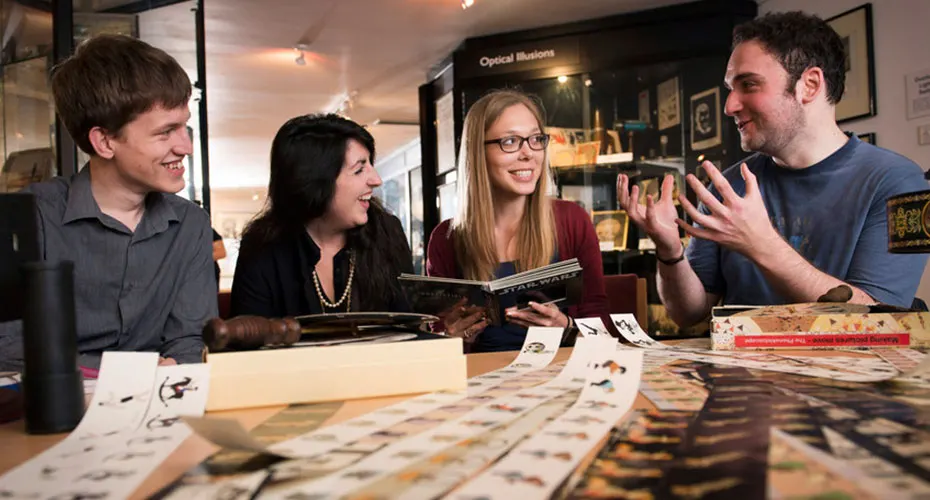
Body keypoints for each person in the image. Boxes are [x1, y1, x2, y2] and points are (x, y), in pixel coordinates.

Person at [618, 11, 929, 329]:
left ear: (809, 85)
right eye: (730, 88)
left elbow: (882, 321)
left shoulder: (902, 183)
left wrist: (761, 244)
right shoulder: (729, 186)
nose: (729, 106)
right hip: (741, 375)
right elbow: (688, 313)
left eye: (749, 84)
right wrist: (670, 252)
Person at [0, 35, 216, 371]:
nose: (186, 147)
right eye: (166, 132)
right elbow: (8, 348)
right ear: (104, 142)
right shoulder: (30, 216)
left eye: (185, 127)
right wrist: (130, 373)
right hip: (53, 412)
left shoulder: (191, 224)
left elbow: (190, 341)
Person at [427, 89, 608, 352]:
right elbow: (440, 341)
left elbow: (600, 324)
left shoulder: (572, 220)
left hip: (560, 374)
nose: (528, 154)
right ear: (478, 153)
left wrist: (567, 328)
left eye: (536, 139)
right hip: (482, 381)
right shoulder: (446, 238)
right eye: (510, 141)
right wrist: (454, 337)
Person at [230, 114, 413, 317]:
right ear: (316, 181)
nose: (377, 180)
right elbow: (248, 339)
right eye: (359, 169)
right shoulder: (263, 248)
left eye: (371, 164)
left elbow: (411, 326)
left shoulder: (387, 232)